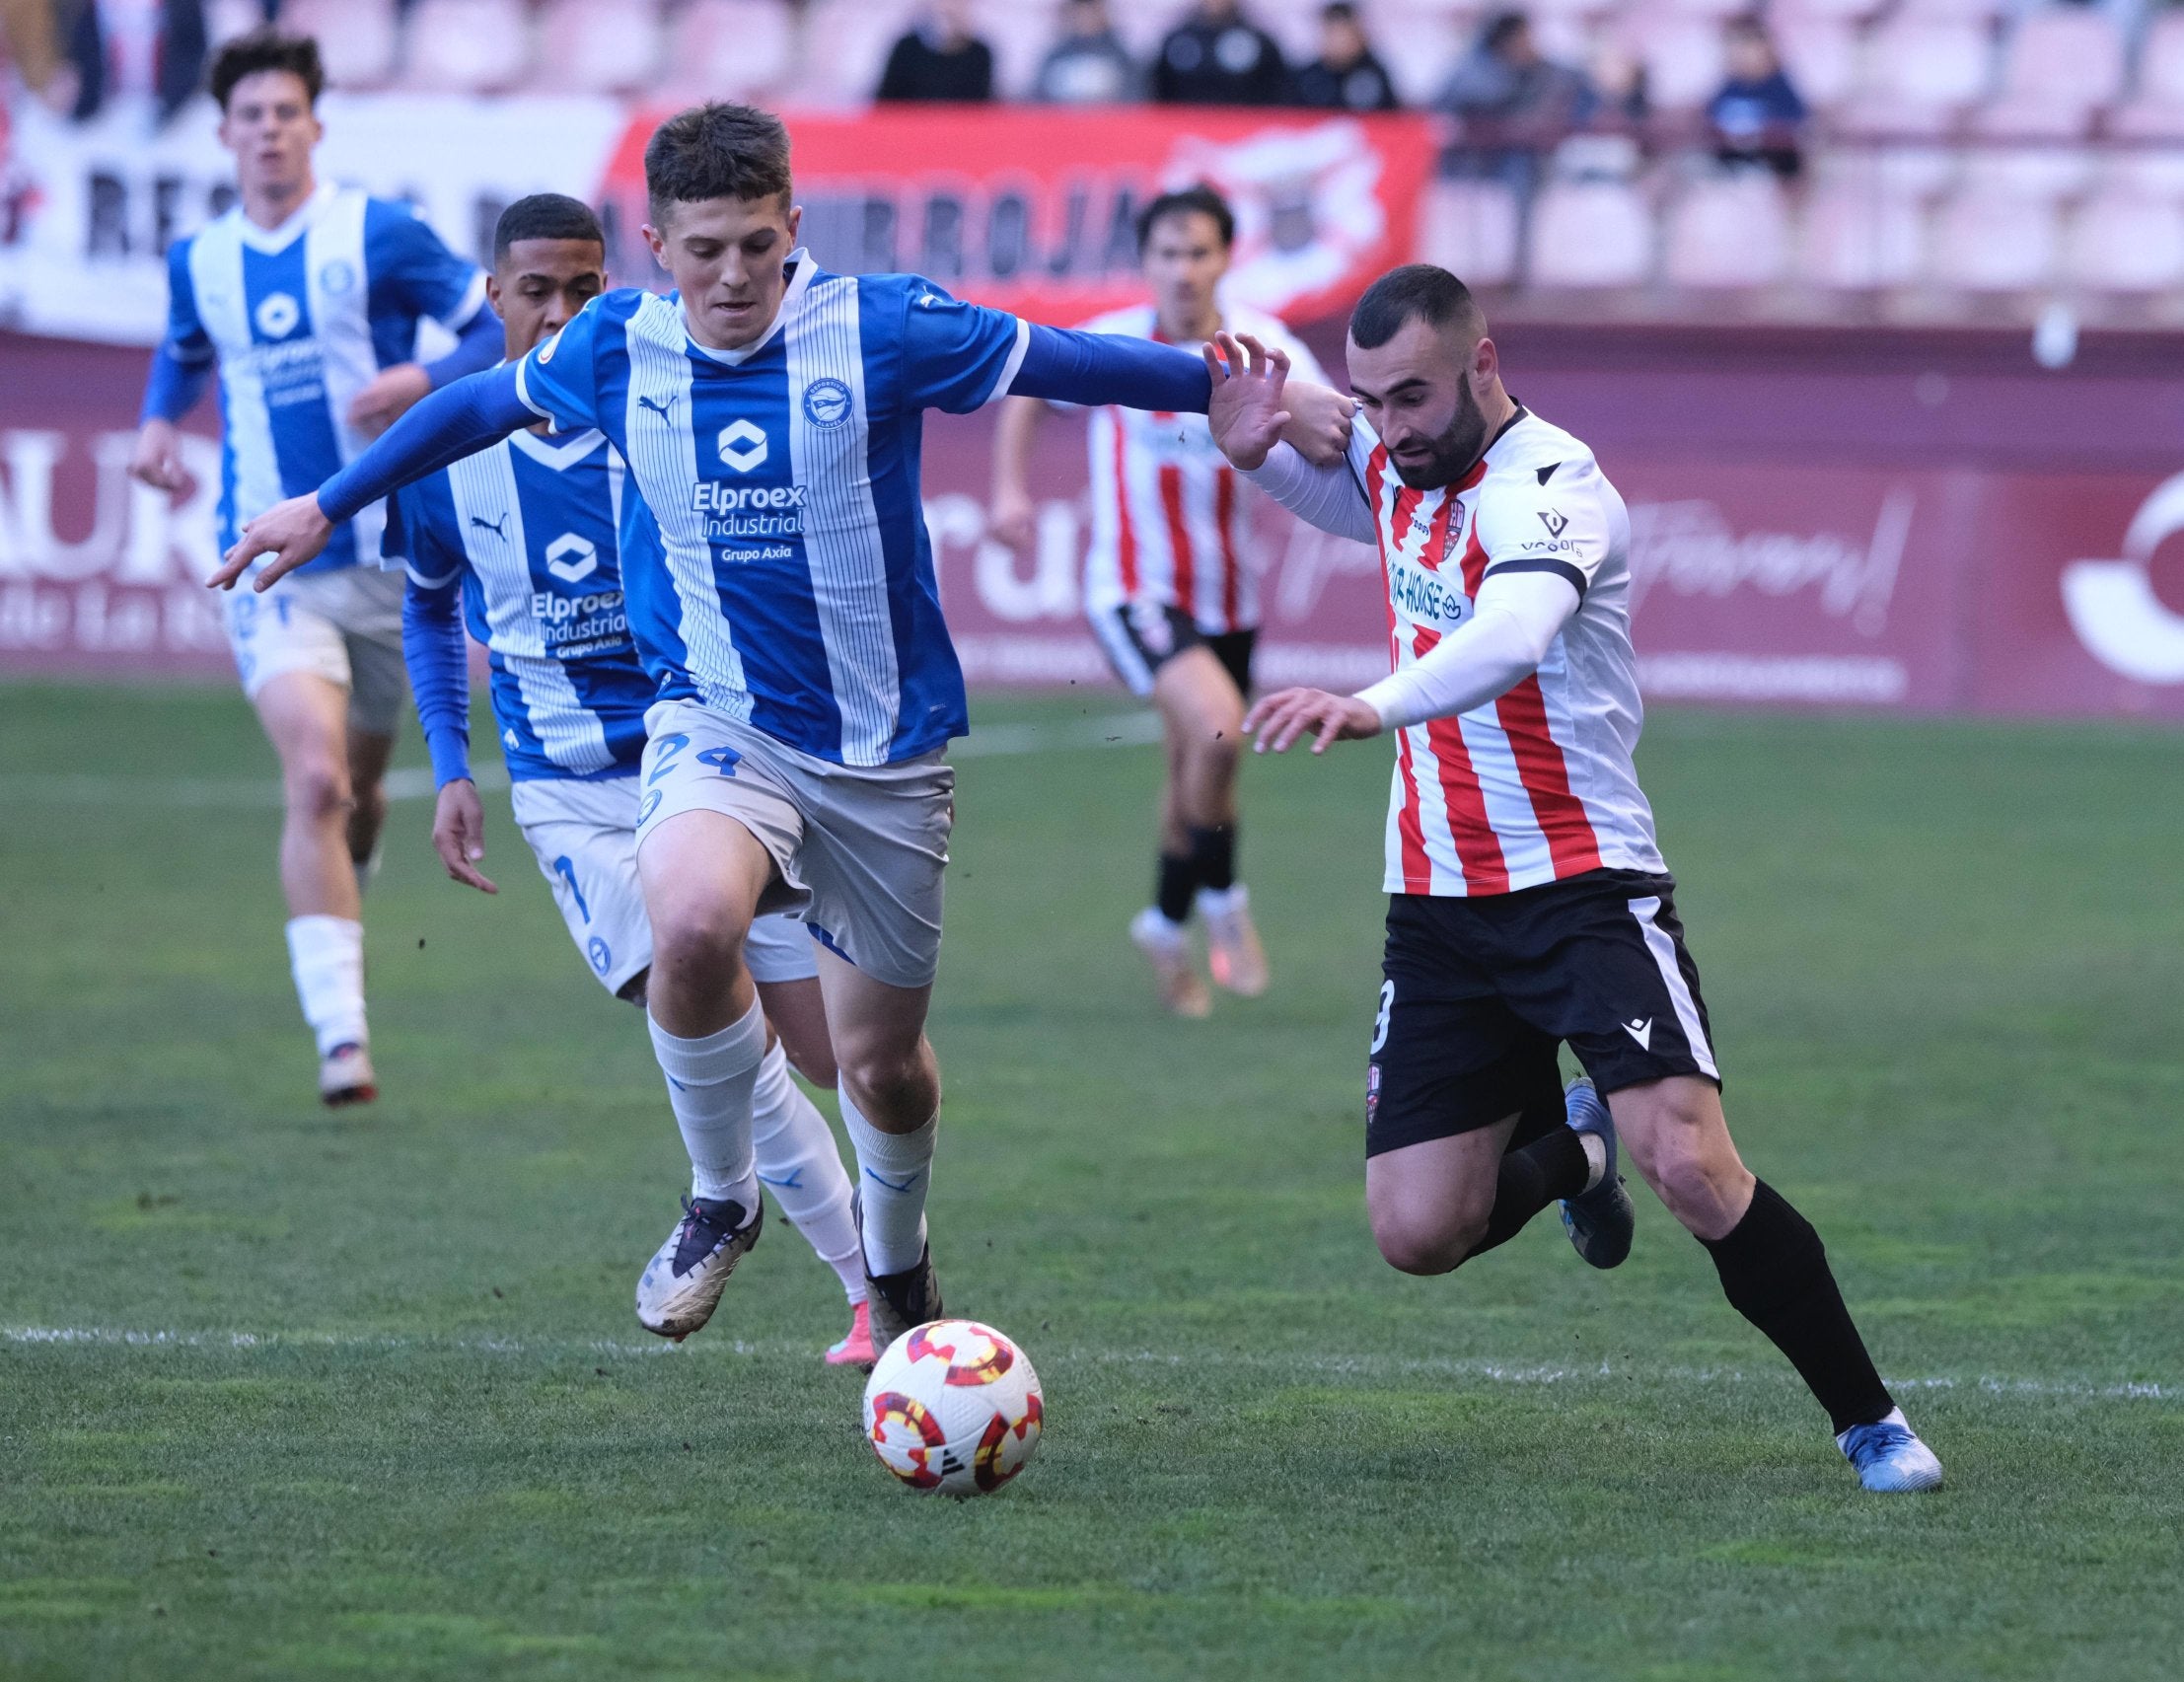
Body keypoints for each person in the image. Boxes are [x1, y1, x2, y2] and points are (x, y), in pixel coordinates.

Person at [207, 102, 1243, 1358]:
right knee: (689, 918)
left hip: (881, 753)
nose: (734, 274)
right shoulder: (616, 349)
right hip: (711, 728)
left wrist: (1223, 391)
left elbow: (1062, 361)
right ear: (660, 247)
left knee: (879, 1066)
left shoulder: (879, 324)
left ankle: (901, 1271)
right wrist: (326, 502)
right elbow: (472, 411)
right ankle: (721, 1195)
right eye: (705, 252)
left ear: (793, 226)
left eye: (757, 244)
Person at [1201, 267, 1945, 1494]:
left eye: (1417, 397)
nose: (1389, 427)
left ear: (1485, 366)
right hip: (1438, 907)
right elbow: (1358, 504)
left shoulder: (1554, 486)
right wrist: (1257, 456)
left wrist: (1368, 701)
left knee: (1696, 1166)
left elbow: (1511, 636)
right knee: (1417, 1231)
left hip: (1583, 887)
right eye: (1373, 402)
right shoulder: (1404, 467)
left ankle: (1869, 1420)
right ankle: (1578, 1157)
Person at [388, 192, 873, 1364]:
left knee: (827, 1052)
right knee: (704, 999)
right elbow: (427, 600)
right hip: (568, 787)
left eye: (583, 289)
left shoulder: (654, 415)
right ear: (493, 298)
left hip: (710, 755)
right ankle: (868, 1286)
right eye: (534, 291)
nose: (559, 312)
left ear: (615, 291)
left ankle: (785, 1223)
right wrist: (452, 765)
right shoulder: (446, 455)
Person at [130, 29, 499, 1108]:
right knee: (317, 778)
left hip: (392, 557)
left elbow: (491, 331)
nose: (271, 132)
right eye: (252, 117)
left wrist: (417, 375)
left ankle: (350, 863)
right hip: (271, 559)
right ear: (225, 135)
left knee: (364, 795)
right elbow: (187, 342)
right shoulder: (199, 257)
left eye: (287, 113)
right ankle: (344, 1038)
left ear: (314, 126)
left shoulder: (374, 232)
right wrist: (157, 420)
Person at [988, 184, 1327, 1016]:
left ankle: (1165, 926)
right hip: (1134, 589)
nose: (1183, 270)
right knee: (1217, 730)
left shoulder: (1260, 346)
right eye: (1168, 254)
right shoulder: (1113, 341)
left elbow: (1326, 417)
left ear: (1225, 258)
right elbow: (1028, 383)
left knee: (1198, 771)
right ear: (1146, 263)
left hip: (1229, 597)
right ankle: (1223, 903)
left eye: (1199, 252)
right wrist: (1007, 492)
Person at [1435, 12, 1589, 192]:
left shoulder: (1545, 71)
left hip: (1520, 164)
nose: (1528, 44)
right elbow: (1446, 109)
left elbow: (1576, 89)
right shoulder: (1475, 72)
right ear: (1504, 41)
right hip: (1470, 169)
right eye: (1522, 38)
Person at [1708, 16, 1807, 180]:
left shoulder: (1780, 84)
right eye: (1739, 48)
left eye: (1751, 47)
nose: (1746, 55)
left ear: (1767, 49)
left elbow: (1796, 117)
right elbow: (1711, 118)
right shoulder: (1729, 85)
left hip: (1774, 156)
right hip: (1733, 158)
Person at [1150, 0, 1290, 107]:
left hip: (1244, 135)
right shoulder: (1178, 40)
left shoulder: (1260, 42)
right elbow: (1160, 92)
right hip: (1183, 133)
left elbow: (1275, 95)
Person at [874, 0, 994, 104]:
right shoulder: (906, 48)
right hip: (909, 127)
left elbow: (981, 108)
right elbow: (886, 101)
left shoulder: (979, 53)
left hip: (961, 128)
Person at [1291, 2, 1399, 113]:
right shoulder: (1308, 76)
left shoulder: (1375, 74)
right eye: (1332, 33)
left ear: (1358, 34)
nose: (1338, 41)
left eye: (1343, 34)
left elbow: (1389, 119)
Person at [1032, 0, 1137, 105]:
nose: (1085, 18)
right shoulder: (1056, 56)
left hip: (1109, 120)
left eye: (1091, 12)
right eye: (1080, 12)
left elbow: (1134, 97)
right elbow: (1039, 98)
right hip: (1063, 120)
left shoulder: (1120, 57)